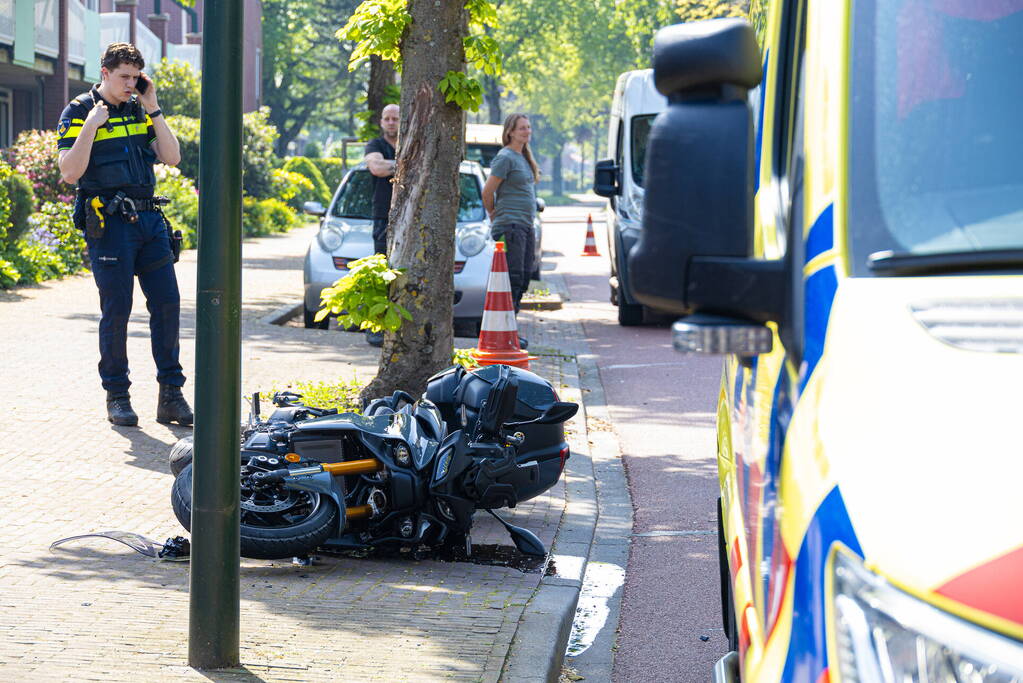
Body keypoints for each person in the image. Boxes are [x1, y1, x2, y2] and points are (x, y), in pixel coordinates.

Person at [57, 43, 192, 428]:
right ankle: (117, 395)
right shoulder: (79, 111)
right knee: (116, 312)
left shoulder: (139, 108)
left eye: (136, 77)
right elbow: (70, 172)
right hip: (109, 224)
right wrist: (90, 127)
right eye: (124, 77)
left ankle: (171, 395)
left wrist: (154, 107)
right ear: (105, 73)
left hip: (149, 221)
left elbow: (172, 157)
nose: (131, 84)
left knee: (167, 304)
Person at [482, 113, 539, 349]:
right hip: (510, 227)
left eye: (528, 127)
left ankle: (510, 331)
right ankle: (505, 334)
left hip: (525, 226)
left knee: (524, 278)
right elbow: (487, 192)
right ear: (510, 132)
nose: (527, 131)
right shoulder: (505, 157)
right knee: (512, 278)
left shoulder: (523, 157)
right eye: (522, 128)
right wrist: (494, 213)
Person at [362, 103, 400, 347]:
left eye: (395, 118)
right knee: (382, 270)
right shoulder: (375, 145)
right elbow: (376, 168)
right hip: (382, 216)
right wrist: (404, 165)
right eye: (386, 118)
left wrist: (391, 167)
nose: (390, 122)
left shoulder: (412, 141)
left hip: (411, 215)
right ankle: (377, 328)